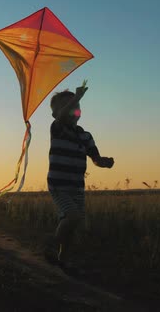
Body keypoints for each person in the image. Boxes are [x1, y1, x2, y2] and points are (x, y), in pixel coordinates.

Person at [45, 82, 114, 273]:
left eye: (77, 106)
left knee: (72, 225)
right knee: (73, 217)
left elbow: (95, 158)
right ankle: (51, 245)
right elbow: (62, 116)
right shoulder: (57, 127)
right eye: (69, 105)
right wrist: (77, 97)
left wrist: (104, 162)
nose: (74, 108)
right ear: (56, 114)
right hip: (58, 184)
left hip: (76, 186)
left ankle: (62, 260)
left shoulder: (86, 136)